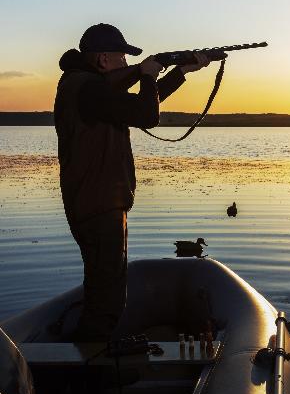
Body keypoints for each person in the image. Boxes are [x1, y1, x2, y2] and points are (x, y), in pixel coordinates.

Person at [54, 23, 211, 341]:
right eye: (122, 57)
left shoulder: (90, 88)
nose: (127, 64)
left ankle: (91, 364)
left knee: (104, 291)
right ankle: (89, 375)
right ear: (102, 60)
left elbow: (140, 106)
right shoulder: (86, 88)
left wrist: (179, 72)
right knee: (106, 301)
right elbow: (147, 115)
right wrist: (147, 75)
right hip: (98, 205)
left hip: (99, 203)